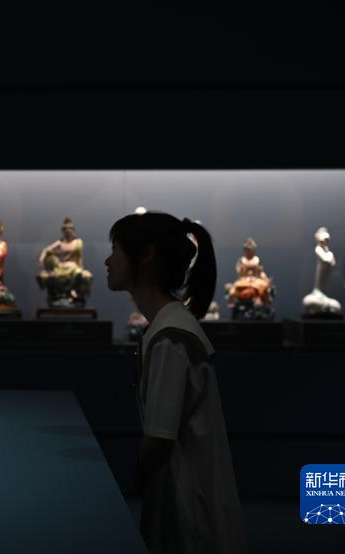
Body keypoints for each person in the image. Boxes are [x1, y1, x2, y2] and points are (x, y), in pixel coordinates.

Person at [105, 211, 246, 554]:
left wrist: (133, 478)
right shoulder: (167, 327)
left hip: (189, 512)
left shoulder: (171, 336)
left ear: (146, 256)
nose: (108, 261)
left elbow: (159, 437)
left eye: (116, 250)